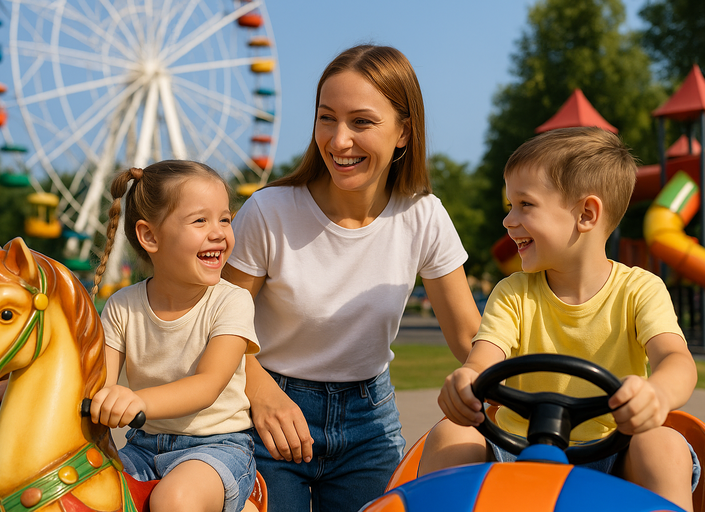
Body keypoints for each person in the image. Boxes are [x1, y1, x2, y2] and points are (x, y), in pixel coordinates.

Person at [223, 44, 482, 512]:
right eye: (327, 118)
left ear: (403, 132)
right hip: (269, 412)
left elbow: (470, 336)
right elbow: (217, 323)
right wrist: (259, 392)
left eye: (361, 122)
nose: (339, 140)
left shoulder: (424, 217)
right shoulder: (268, 211)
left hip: (370, 421)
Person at [417, 127, 700, 511]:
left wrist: (658, 393)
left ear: (586, 214)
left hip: (613, 455)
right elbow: (483, 360)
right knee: (452, 433)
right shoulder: (513, 293)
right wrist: (467, 380)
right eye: (509, 206)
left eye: (525, 205)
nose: (508, 220)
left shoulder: (639, 290)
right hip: (515, 452)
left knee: (663, 444)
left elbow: (675, 359)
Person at [90, 161, 261, 512]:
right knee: (91, 490)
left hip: (217, 448)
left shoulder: (231, 302)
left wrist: (139, 402)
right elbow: (96, 385)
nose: (218, 232)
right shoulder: (123, 306)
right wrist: (15, 389)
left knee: (175, 499)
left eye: (224, 219)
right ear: (149, 236)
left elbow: (208, 384)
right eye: (200, 220)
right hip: (142, 446)